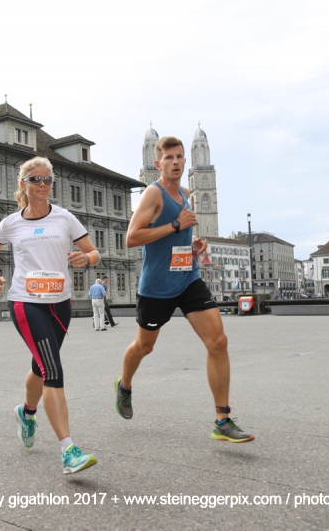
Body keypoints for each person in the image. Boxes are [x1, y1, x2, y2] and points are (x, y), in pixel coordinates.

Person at [113, 136, 254, 443]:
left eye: (179, 156)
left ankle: (222, 420)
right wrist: (176, 225)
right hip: (157, 286)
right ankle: (124, 385)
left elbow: (175, 237)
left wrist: (192, 243)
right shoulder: (153, 194)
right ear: (158, 164)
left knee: (218, 341)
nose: (175, 161)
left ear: (185, 161)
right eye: (169, 157)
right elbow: (132, 238)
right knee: (144, 347)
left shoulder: (186, 194)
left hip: (188, 278)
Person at [0, 156, 100, 475]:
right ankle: (69, 450)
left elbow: (93, 251)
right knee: (52, 369)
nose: (43, 184)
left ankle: (27, 412)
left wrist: (86, 260)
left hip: (60, 304)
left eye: (48, 179)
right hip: (25, 302)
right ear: (23, 184)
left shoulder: (65, 218)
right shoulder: (11, 223)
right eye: (35, 179)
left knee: (40, 365)